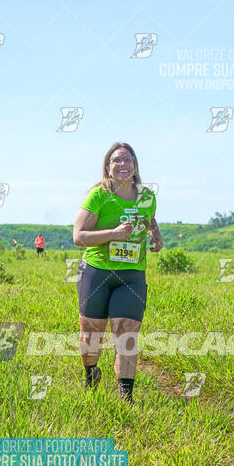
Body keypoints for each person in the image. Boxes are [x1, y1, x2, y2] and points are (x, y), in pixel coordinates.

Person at [73, 142, 163, 404]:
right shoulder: (98, 196)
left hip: (132, 275)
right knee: (91, 340)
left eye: (128, 160)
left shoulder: (146, 195)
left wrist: (155, 235)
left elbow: (150, 219)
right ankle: (91, 371)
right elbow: (79, 237)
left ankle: (126, 397)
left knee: (127, 334)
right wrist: (112, 234)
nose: (122, 164)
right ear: (108, 167)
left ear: (135, 166)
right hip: (97, 273)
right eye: (116, 160)